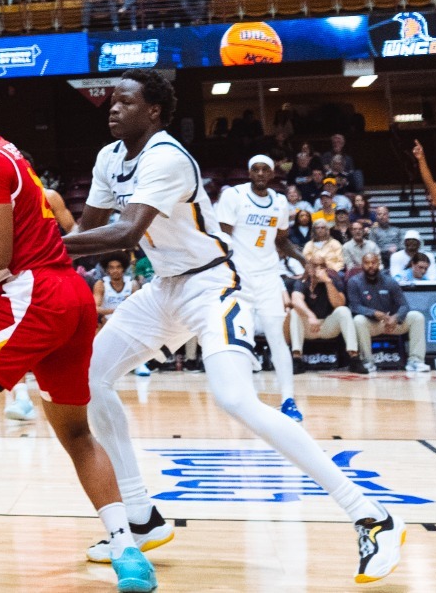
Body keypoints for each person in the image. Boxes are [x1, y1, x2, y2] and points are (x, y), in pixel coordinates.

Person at [60, 71, 405, 582]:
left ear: (153, 110)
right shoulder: (110, 157)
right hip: (165, 288)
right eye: (111, 101)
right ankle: (140, 517)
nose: (112, 108)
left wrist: (29, 251)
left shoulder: (167, 157)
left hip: (212, 286)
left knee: (236, 400)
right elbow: (87, 229)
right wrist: (30, 254)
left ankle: (373, 516)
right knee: (90, 378)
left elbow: (127, 232)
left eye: (125, 101)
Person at [0, 79, 153, 593]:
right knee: (77, 434)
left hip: (34, 294)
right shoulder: (6, 157)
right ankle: (129, 553)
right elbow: (6, 253)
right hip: (68, 295)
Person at [216, 153, 300, 419]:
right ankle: (246, 400)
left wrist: (304, 260)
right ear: (250, 173)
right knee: (243, 338)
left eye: (266, 170)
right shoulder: (234, 196)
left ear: (272, 174)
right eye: (256, 169)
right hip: (239, 278)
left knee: (277, 337)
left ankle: (289, 400)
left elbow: (283, 241)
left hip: (268, 277)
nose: (261, 174)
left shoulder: (280, 202)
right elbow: (221, 236)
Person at [342, 254, 426, 373]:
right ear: (362, 265)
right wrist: (373, 313)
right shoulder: (354, 282)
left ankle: (416, 361)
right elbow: (354, 306)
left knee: (417, 317)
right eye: (367, 263)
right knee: (358, 320)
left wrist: (396, 317)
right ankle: (367, 362)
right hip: (371, 324)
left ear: (379, 264)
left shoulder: (390, 281)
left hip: (391, 323)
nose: (370, 266)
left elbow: (404, 305)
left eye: (374, 262)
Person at [290, 253, 361, 368]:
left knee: (344, 311)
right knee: (294, 312)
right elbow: (295, 300)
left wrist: (328, 282)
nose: (317, 269)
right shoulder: (302, 282)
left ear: (325, 268)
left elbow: (339, 304)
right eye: (314, 265)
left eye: (321, 266)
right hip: (309, 326)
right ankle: (297, 358)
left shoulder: (333, 280)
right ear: (308, 267)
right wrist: (310, 315)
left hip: (327, 326)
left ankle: (354, 357)